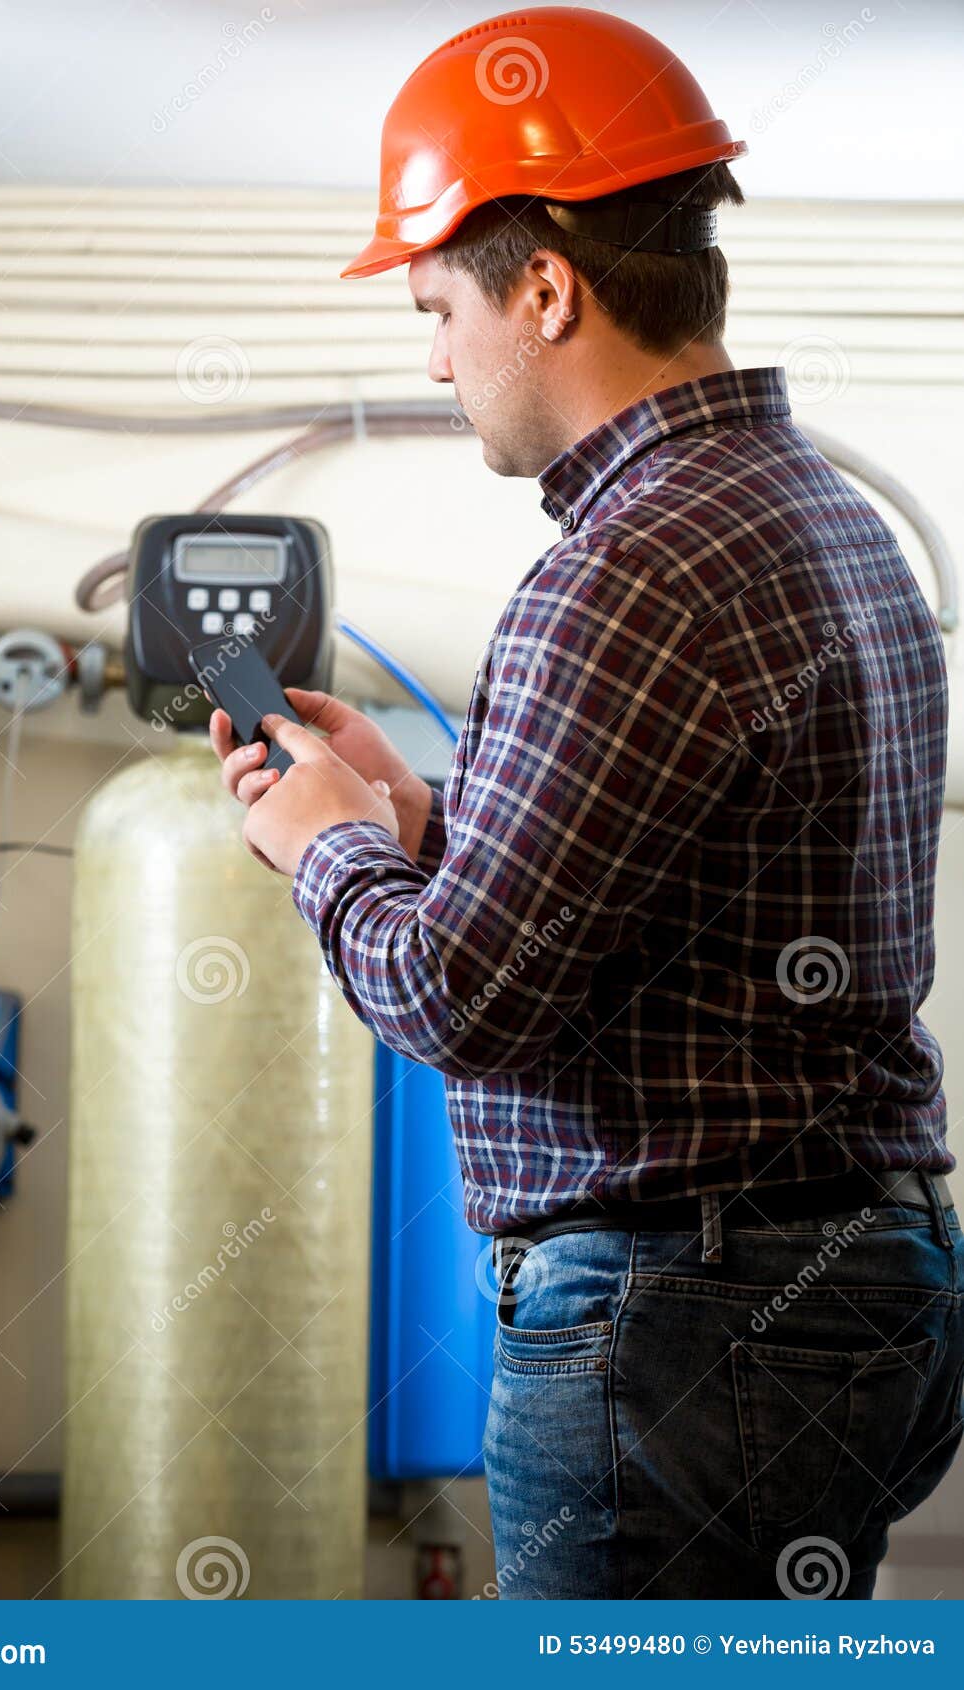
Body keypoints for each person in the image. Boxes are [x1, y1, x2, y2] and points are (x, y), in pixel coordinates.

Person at [209, 8, 963, 1599]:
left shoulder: (624, 570)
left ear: (544, 283)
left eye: (435, 306)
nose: (429, 356)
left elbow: (462, 995)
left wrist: (316, 840)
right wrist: (419, 822)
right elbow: (674, 899)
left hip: (677, 1316)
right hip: (835, 1284)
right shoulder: (821, 517)